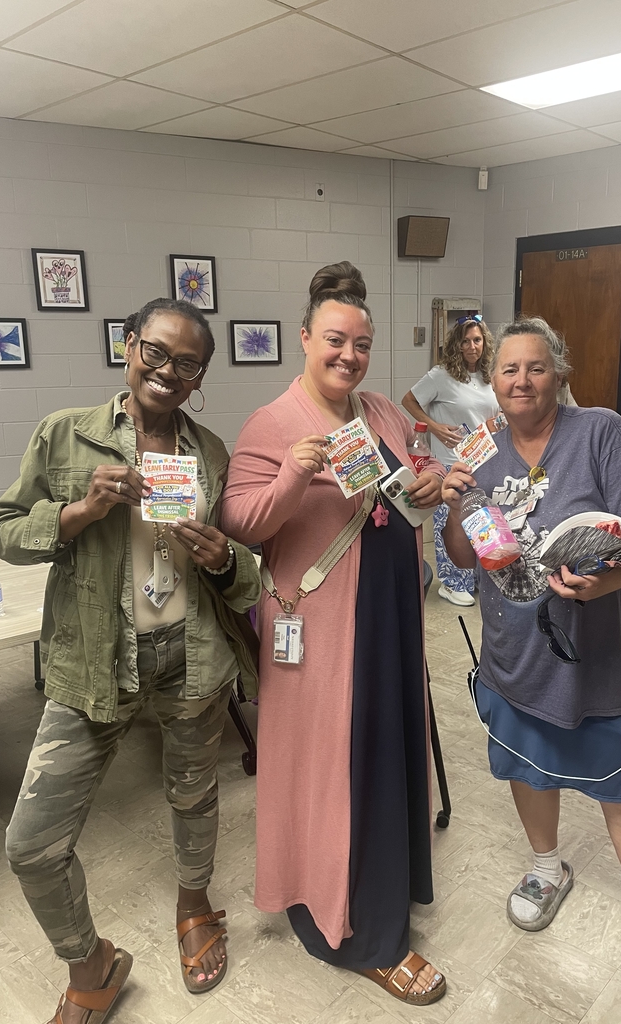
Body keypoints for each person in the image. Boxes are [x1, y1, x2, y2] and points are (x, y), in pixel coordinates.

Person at [0, 298, 261, 1024]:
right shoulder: (65, 435)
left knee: (194, 796)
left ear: (200, 376)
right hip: (94, 663)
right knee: (30, 846)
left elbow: (243, 575)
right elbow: (6, 534)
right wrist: (77, 513)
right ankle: (92, 964)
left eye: (188, 364)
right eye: (156, 353)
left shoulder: (207, 452)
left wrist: (222, 556)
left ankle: (195, 901)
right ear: (128, 347)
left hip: (192, 659)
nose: (167, 372)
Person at [222, 262, 448, 1006]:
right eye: (334, 341)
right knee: (337, 770)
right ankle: (363, 935)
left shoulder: (380, 411)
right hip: (322, 630)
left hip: (388, 615)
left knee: (384, 757)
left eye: (361, 344)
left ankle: (385, 889)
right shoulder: (273, 422)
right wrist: (291, 474)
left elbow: (412, 474)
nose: (348, 356)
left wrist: (426, 480)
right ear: (304, 338)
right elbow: (241, 525)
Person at [441, 315, 621, 1006]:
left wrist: (610, 579)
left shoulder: (600, 432)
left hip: (602, 656)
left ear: (559, 373)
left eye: (535, 367)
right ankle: (547, 868)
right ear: (492, 381)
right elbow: (465, 558)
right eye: (508, 369)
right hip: (514, 655)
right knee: (528, 766)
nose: (521, 380)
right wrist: (457, 503)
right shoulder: (481, 448)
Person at [402, 314, 499, 607]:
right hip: (450, 461)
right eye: (466, 341)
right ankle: (452, 582)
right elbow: (409, 400)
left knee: (480, 522)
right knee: (451, 521)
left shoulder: (489, 375)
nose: (472, 347)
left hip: (485, 459)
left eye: (477, 340)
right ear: (456, 345)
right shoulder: (441, 376)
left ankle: (476, 577)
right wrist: (434, 426)